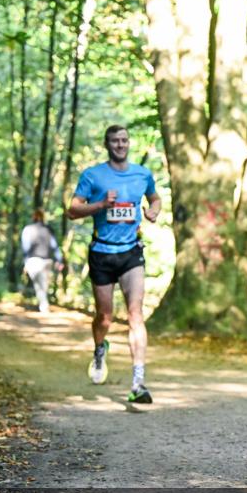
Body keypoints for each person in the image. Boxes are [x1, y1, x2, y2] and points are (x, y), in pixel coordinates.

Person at [68, 125, 162, 404]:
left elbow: (155, 197)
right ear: (106, 144)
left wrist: (153, 211)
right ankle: (100, 349)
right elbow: (72, 210)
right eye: (115, 141)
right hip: (101, 252)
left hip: (131, 252)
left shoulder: (142, 174)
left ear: (128, 143)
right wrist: (100, 205)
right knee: (105, 317)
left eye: (124, 140)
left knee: (135, 315)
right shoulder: (93, 175)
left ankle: (138, 382)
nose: (120, 145)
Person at [20, 209, 64, 313]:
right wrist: (59, 260)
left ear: (33, 217)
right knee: (43, 284)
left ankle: (44, 305)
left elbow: (25, 247)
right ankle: (44, 305)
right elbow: (54, 246)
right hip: (47, 261)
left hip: (33, 261)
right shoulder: (48, 229)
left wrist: (25, 262)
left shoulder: (28, 229)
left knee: (38, 284)